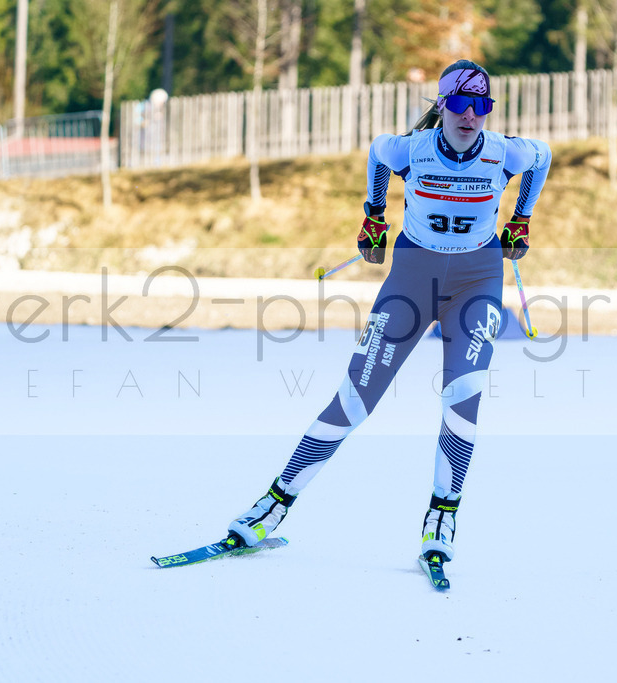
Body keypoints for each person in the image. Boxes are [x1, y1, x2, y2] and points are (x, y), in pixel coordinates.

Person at [226, 59, 552, 571]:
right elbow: (379, 153)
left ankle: (441, 518)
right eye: (462, 104)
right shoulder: (411, 149)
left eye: (482, 105)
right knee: (355, 398)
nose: (472, 115)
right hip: (412, 282)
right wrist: (373, 216)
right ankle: (271, 507)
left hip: (477, 285)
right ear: (443, 105)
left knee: (461, 398)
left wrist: (523, 219)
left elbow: (543, 157)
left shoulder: (504, 153)